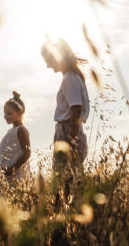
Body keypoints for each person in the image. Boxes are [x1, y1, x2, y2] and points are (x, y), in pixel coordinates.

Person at [41, 39, 90, 209]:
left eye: (48, 60)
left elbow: (75, 110)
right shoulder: (72, 77)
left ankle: (64, 223)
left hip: (68, 130)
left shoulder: (69, 78)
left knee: (64, 185)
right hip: (69, 130)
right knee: (69, 184)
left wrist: (70, 141)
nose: (48, 65)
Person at [0, 91, 31, 188]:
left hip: (15, 175)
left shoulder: (21, 130)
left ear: (19, 113)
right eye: (5, 113)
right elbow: (10, 153)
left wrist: (12, 169)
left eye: (9, 113)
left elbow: (27, 153)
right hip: (5, 174)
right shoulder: (10, 131)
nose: (5, 116)